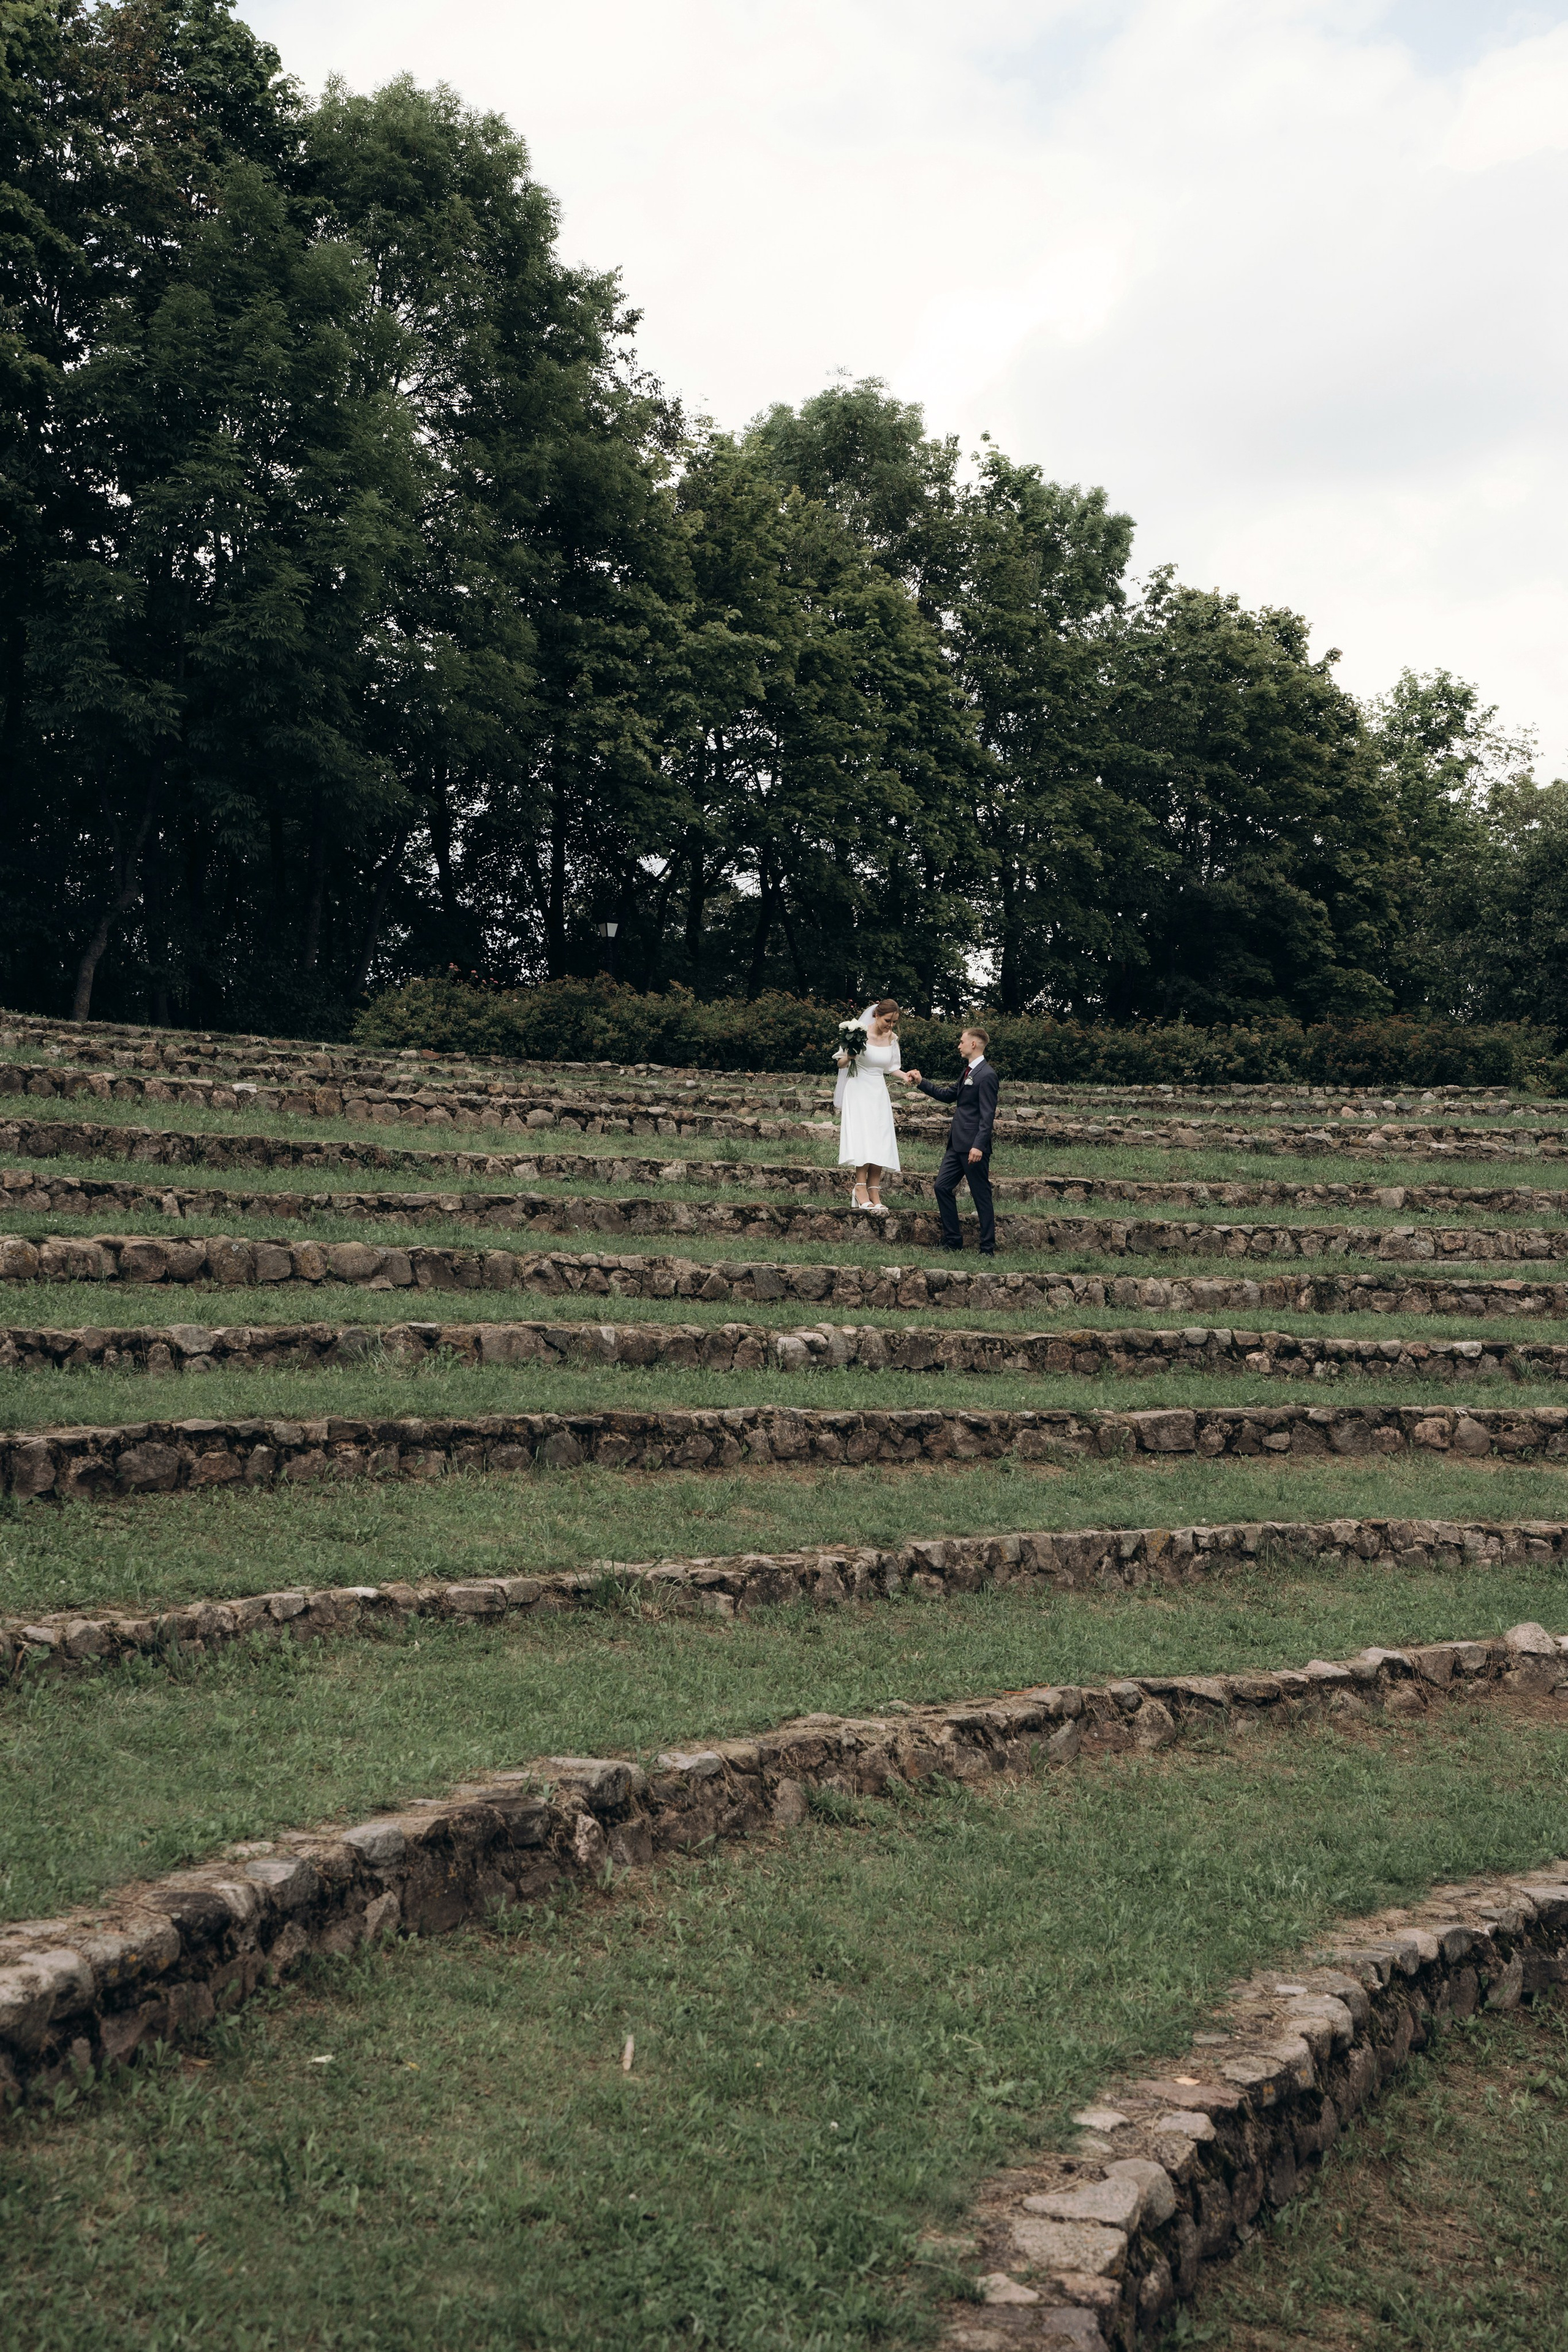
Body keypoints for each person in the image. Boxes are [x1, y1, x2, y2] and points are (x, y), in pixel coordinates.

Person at [901, 1025, 998, 1254]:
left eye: (962, 1041)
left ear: (973, 1044)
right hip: (956, 1145)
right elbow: (947, 1095)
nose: (959, 1045)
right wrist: (921, 1081)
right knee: (942, 1187)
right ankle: (953, 1241)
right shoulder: (968, 1072)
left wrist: (979, 1145)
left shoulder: (987, 1075)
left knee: (981, 1195)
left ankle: (987, 1248)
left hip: (973, 1147)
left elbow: (988, 1115)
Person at [835, 999, 902, 1212]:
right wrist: (849, 1056)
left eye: (894, 1022)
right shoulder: (857, 1033)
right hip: (859, 1089)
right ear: (876, 1015)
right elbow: (840, 1063)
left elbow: (892, 1068)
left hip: (878, 1090)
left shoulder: (892, 1038)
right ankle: (860, 1187)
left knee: (880, 1138)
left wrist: (908, 1076)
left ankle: (875, 1190)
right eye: (887, 1020)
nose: (890, 1025)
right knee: (864, 1136)